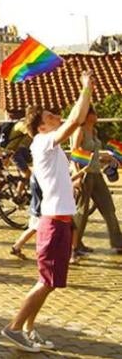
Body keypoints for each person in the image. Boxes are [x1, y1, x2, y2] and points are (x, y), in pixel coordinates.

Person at [1, 71, 92, 353]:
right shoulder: (43, 141)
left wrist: (76, 180)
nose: (57, 117)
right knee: (45, 282)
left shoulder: (50, 146)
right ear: (41, 127)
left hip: (60, 221)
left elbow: (57, 176)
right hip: (53, 223)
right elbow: (77, 118)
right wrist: (86, 86)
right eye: (51, 117)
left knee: (49, 283)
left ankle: (29, 328)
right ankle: (14, 328)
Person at [70, 106, 122, 260]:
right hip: (85, 175)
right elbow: (75, 153)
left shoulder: (94, 131)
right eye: (94, 113)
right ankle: (76, 245)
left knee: (108, 207)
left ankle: (118, 242)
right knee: (82, 211)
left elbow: (94, 154)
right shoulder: (79, 131)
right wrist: (77, 176)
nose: (97, 115)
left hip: (97, 173)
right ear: (87, 115)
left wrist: (108, 159)